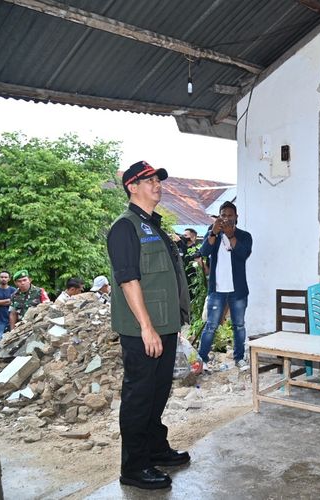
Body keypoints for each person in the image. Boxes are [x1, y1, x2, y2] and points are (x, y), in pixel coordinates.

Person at [107, 160, 191, 490]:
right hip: (144, 329)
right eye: (149, 180)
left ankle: (156, 449)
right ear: (132, 186)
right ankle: (134, 466)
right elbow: (128, 279)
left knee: (158, 393)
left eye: (158, 179)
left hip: (165, 325)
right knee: (140, 396)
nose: (157, 184)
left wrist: (171, 322)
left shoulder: (152, 225)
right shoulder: (125, 227)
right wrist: (146, 326)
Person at [198, 201, 253, 371]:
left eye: (230, 215)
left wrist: (230, 236)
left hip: (238, 290)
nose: (226, 218)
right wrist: (213, 233)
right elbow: (204, 252)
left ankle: (239, 358)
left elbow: (243, 254)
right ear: (219, 217)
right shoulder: (212, 233)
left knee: (239, 325)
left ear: (236, 217)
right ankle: (202, 359)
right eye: (223, 215)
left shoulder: (244, 236)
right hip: (217, 290)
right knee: (211, 325)